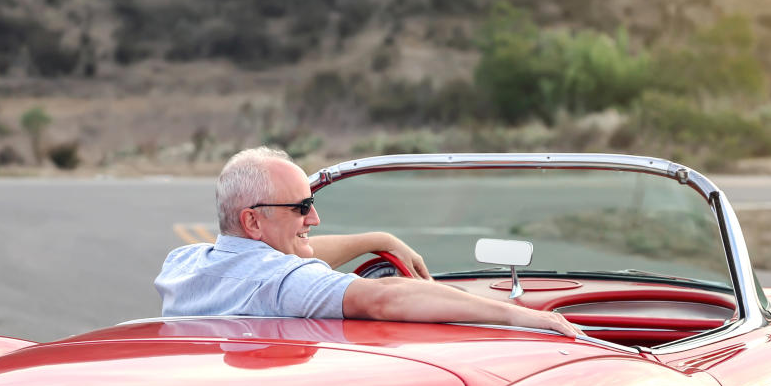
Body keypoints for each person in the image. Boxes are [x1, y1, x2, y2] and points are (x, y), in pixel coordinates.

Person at [154, 147, 578, 337]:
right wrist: (518, 316)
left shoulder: (185, 265)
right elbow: (383, 298)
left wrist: (377, 240)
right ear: (252, 221)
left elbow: (281, 258)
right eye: (300, 208)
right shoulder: (285, 284)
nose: (314, 218)